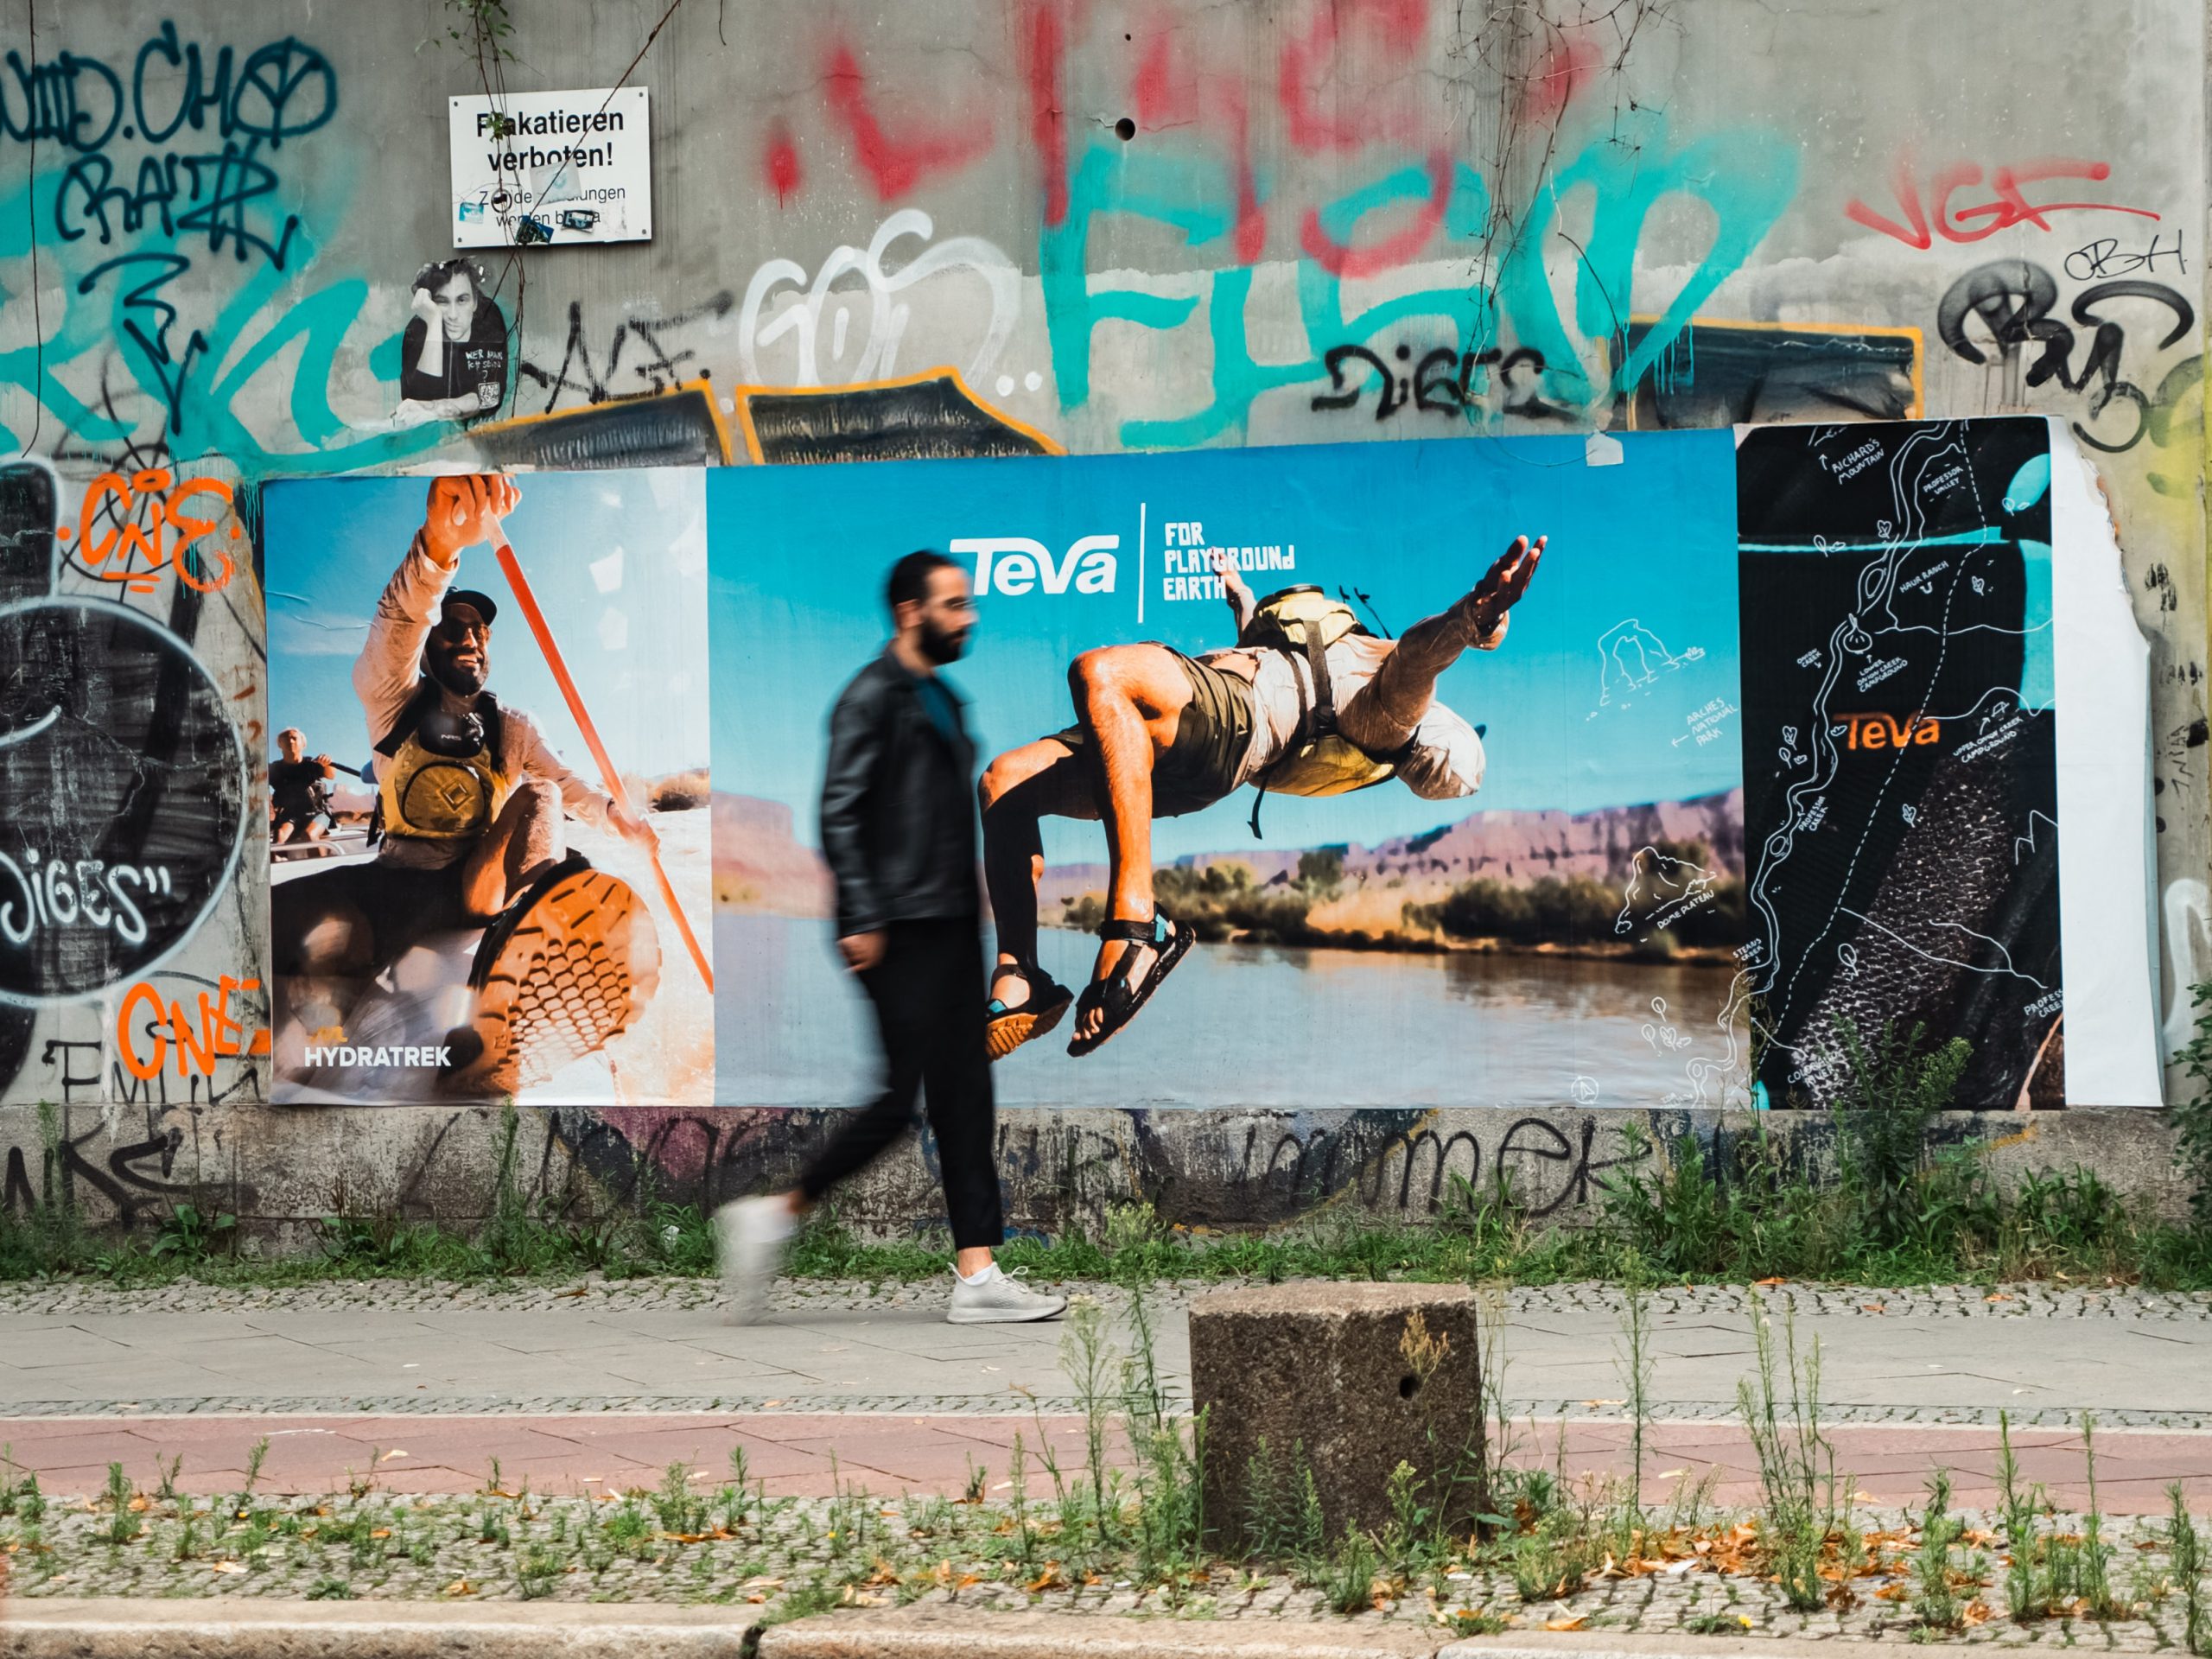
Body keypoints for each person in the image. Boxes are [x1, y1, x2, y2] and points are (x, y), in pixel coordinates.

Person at [978, 534, 1546, 1058]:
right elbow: (1270, 647)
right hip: (1159, 746)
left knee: (1102, 671)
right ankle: (1021, 973)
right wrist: (1240, 595)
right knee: (1003, 783)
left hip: (1226, 727)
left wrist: (1473, 616)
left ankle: (1137, 924)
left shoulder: (1390, 718)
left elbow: (1421, 656)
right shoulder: (1334, 654)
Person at [715, 551, 1069, 1328]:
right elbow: (840, 809)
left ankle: (977, 1276)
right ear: (911, 612)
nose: (969, 617)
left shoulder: (943, 698)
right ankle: (774, 1216)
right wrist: (861, 917)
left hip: (947, 923)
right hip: (897, 927)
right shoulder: (870, 697)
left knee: (964, 1094)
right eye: (954, 604)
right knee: (900, 1094)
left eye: (968, 604)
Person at [270, 474, 664, 1096]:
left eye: (480, 630)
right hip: (397, 878)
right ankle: (304, 1053)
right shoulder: (390, 696)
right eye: (453, 628)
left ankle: (527, 949)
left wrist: (618, 817)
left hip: (480, 883)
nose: (470, 638)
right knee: (288, 917)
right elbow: (401, 619)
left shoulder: (513, 725)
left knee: (540, 796)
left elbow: (567, 782)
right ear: (428, 648)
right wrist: (438, 547)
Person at [396, 260, 508, 425]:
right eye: (442, 301)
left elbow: (489, 396)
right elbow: (417, 404)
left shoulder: (488, 319)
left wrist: (442, 408)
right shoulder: (417, 330)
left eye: (462, 300)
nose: (453, 315)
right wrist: (433, 322)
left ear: (475, 303)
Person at [270, 728, 339, 855]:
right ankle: (279, 862)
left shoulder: (312, 764)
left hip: (317, 813)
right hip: (291, 816)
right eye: (286, 739)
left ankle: (321, 866)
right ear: (280, 744)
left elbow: (330, 775)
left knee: (309, 835)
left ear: (303, 744)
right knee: (279, 835)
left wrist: (328, 763)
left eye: (294, 738)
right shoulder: (274, 769)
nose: (290, 741)